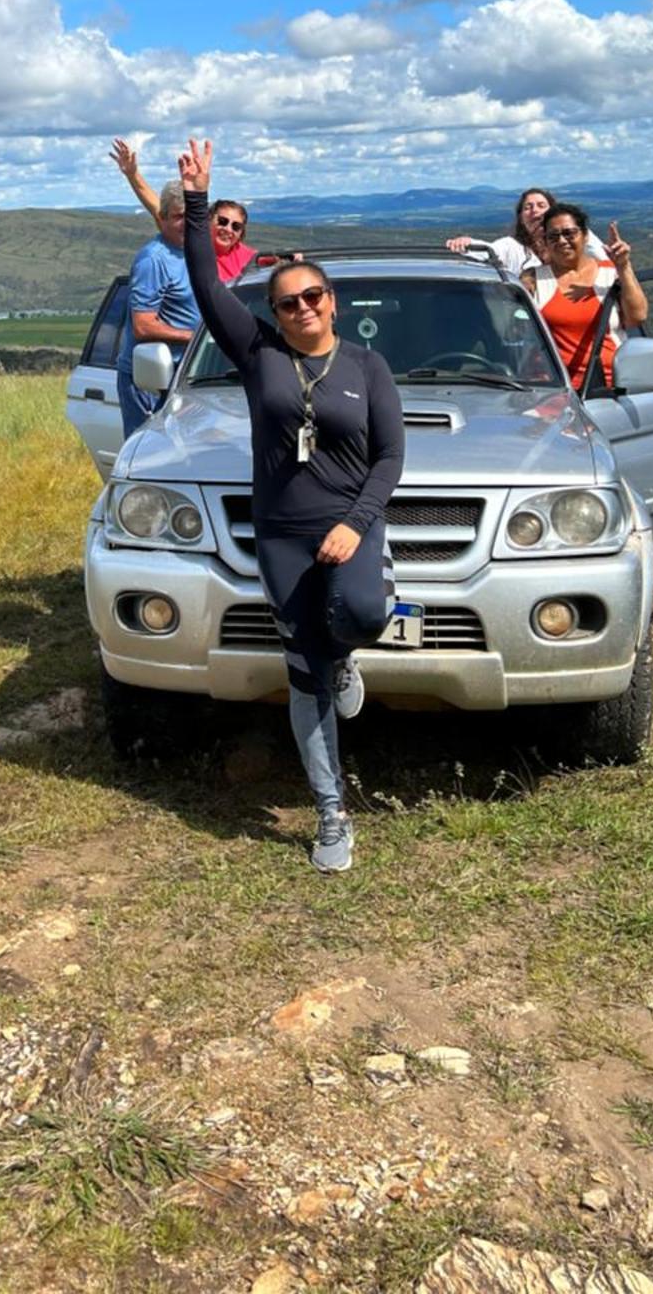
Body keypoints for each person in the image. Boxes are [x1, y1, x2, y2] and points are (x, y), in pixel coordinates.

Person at [179, 137, 405, 876]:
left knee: (364, 614)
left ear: (332, 302)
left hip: (349, 524)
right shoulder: (259, 357)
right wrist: (196, 204)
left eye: (312, 297)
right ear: (273, 311)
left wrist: (354, 523)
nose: (302, 308)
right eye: (287, 302)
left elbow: (390, 459)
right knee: (303, 668)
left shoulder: (369, 368)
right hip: (280, 533)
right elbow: (209, 287)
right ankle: (332, 811)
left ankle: (346, 659)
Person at [525, 205, 647, 390]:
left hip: (608, 388)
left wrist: (623, 266)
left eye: (569, 233)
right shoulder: (534, 279)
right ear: (546, 242)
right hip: (553, 391)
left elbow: (637, 317)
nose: (562, 241)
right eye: (553, 236)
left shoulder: (609, 273)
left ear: (585, 236)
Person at [116, 180, 200, 436]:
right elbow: (143, 325)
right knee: (152, 456)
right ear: (162, 218)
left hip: (183, 373)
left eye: (192, 215)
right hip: (151, 379)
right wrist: (197, 339)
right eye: (178, 217)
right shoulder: (153, 259)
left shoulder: (191, 251)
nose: (186, 222)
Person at [110, 137, 256, 282]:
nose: (228, 229)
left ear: (241, 233)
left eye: (236, 226)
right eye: (223, 221)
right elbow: (158, 208)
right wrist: (132, 174)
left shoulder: (250, 258)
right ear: (208, 220)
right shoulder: (190, 244)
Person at [447, 186, 606, 275]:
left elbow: (602, 257)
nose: (534, 211)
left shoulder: (569, 241)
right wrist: (467, 243)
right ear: (521, 217)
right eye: (527, 207)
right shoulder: (512, 247)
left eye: (541, 206)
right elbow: (491, 251)